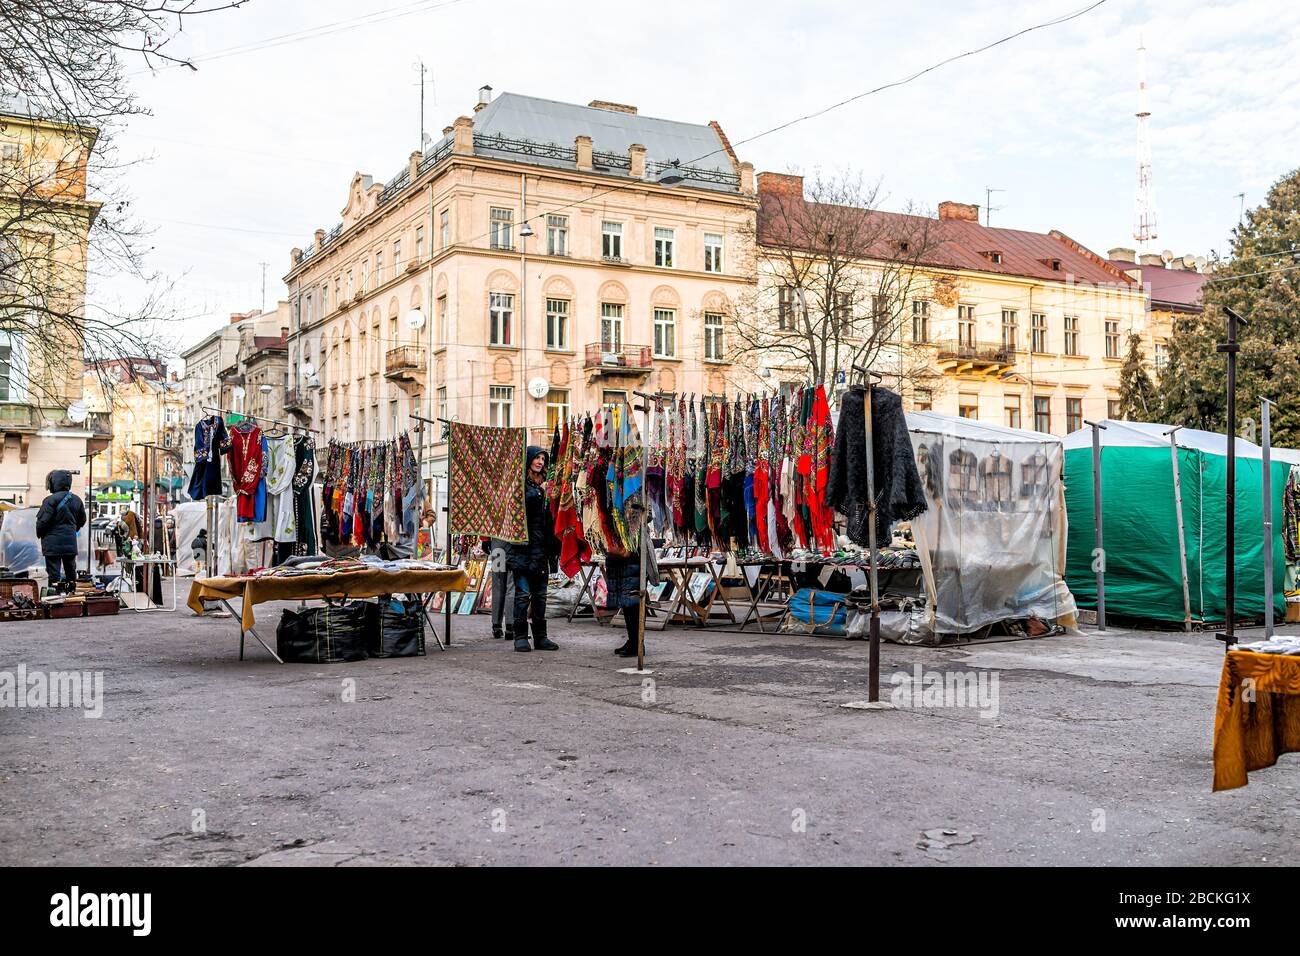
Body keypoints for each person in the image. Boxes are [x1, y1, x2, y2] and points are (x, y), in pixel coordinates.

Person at [508, 446, 560, 653]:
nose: (539, 461)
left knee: (540, 595)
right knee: (523, 594)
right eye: (536, 458)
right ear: (528, 459)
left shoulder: (545, 483)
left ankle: (541, 637)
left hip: (542, 549)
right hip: (522, 548)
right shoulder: (520, 484)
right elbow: (518, 507)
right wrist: (541, 493)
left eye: (542, 458)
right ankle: (520, 636)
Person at [36, 469, 86, 594]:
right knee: (71, 572)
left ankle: (54, 598)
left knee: (54, 574)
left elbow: (42, 522)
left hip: (52, 544)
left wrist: (40, 533)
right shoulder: (77, 500)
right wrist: (72, 530)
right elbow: (82, 520)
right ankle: (72, 596)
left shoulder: (50, 500)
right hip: (70, 542)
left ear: (53, 483)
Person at [486, 536, 515, 641]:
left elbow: (486, 519)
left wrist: (485, 539)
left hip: (497, 543)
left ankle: (496, 626)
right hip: (514, 543)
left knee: (497, 584)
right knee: (512, 585)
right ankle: (510, 627)